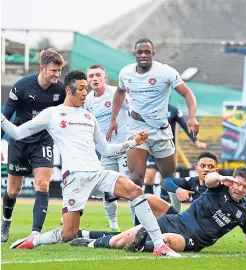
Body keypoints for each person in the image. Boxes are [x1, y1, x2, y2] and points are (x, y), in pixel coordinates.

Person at [1, 70, 180, 257]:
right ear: (69, 91)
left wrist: (134, 142)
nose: (85, 92)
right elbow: (18, 133)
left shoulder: (88, 117)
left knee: (136, 191)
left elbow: (106, 150)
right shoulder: (52, 114)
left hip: (97, 172)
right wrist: (2, 118)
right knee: (68, 233)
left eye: (86, 88)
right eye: (80, 88)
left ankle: (159, 245)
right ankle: (34, 240)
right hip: (75, 178)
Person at [70, 167, 246, 257]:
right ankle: (88, 241)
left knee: (167, 241)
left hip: (193, 239)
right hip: (176, 219)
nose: (239, 189)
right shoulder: (218, 185)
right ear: (232, 180)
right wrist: (220, 178)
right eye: (238, 184)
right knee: (118, 240)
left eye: (245, 187)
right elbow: (209, 179)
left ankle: (141, 245)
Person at [106, 38, 200, 213]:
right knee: (136, 177)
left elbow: (188, 93)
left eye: (147, 52)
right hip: (136, 128)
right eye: (140, 52)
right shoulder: (125, 73)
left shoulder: (165, 72)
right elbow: (119, 93)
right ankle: (138, 222)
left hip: (161, 130)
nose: (143, 55)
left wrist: (192, 117)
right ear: (135, 54)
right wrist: (113, 119)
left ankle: (176, 218)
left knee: (169, 178)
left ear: (152, 54)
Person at [1, 49, 66, 243]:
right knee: (13, 191)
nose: (57, 74)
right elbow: (5, 116)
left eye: (59, 71)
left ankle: (35, 233)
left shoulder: (60, 90)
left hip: (43, 141)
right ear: (42, 69)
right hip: (19, 141)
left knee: (43, 185)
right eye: (54, 70)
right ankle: (6, 221)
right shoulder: (21, 87)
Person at [84, 64, 130, 231]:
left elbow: (132, 110)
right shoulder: (88, 101)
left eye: (98, 75)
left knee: (129, 186)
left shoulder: (116, 93)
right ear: (88, 80)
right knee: (107, 190)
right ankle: (113, 226)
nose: (95, 78)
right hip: (106, 152)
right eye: (91, 76)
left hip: (125, 148)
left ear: (105, 77)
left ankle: (138, 225)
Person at [144, 103, 206, 204]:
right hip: (152, 147)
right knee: (149, 175)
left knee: (165, 177)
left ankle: (165, 202)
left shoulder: (173, 110)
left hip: (168, 149)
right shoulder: (149, 108)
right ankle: (148, 202)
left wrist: (196, 141)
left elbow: (186, 127)